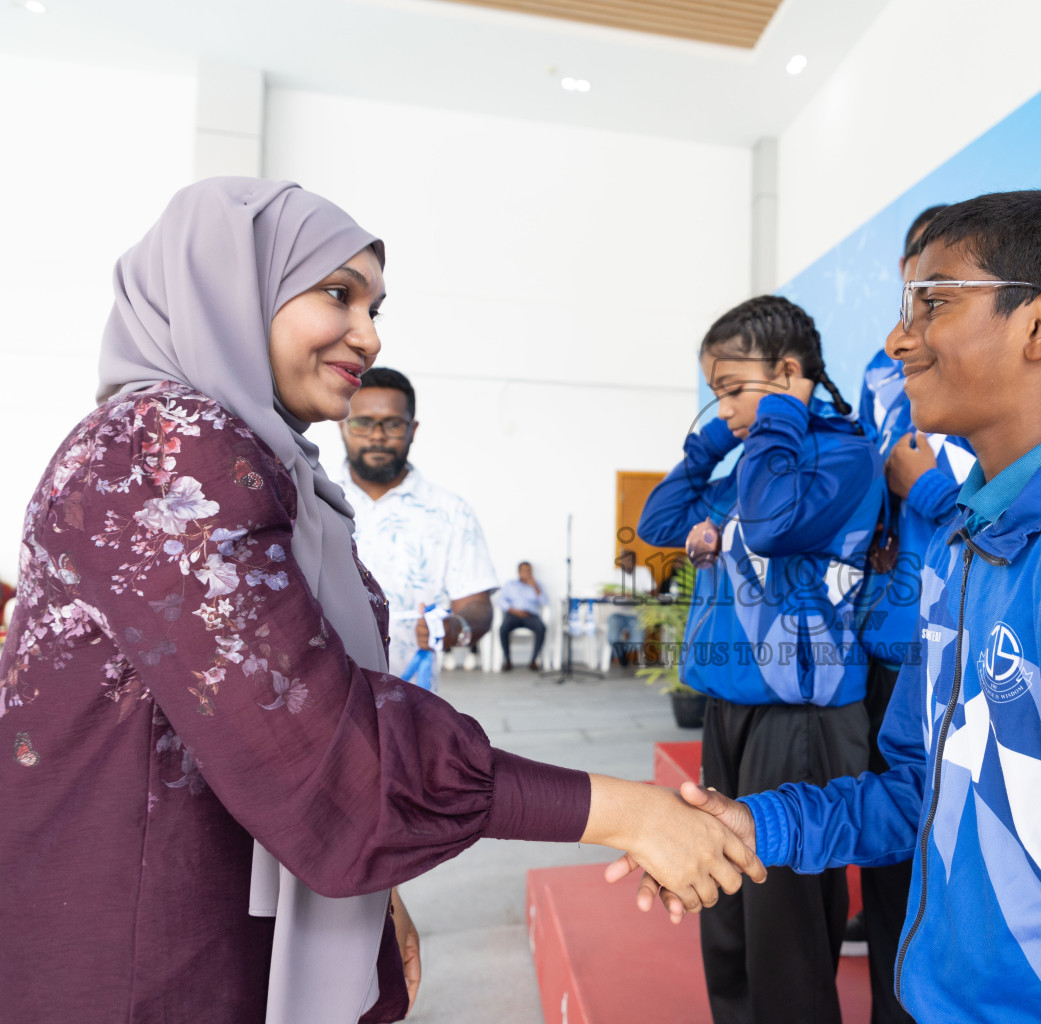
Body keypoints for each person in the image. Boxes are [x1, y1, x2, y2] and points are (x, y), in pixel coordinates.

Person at [0, 178, 764, 1024]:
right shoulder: (168, 451)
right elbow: (322, 747)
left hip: (230, 878)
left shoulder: (255, 462)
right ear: (228, 289)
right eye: (337, 293)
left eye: (375, 305)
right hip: (142, 935)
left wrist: (368, 891)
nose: (366, 334)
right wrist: (626, 812)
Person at [619, 191, 1041, 1022]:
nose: (897, 338)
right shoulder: (960, 544)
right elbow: (916, 795)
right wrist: (747, 827)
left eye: (934, 303)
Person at [637, 295, 883, 1024]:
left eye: (732, 389)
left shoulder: (844, 455)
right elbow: (658, 522)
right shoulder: (750, 465)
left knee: (786, 921)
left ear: (788, 372)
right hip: (733, 708)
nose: (724, 409)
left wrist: (777, 414)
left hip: (802, 719)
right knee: (729, 903)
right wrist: (710, 445)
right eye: (713, 393)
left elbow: (774, 529)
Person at [850, 202, 970, 1024]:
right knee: (896, 827)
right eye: (911, 287)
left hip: (978, 637)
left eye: (939, 289)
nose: (914, 317)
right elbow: (868, 482)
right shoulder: (877, 369)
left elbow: (1012, 510)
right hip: (896, 635)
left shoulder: (1005, 366)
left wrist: (925, 487)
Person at [339, 366, 498, 685]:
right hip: (322, 699)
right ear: (343, 426)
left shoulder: (450, 512)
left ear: (413, 429)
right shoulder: (313, 499)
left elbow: (478, 607)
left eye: (393, 424)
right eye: (363, 422)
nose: (377, 435)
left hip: (412, 701)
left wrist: (455, 629)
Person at [494, 561, 548, 671]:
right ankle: (507, 660)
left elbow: (544, 602)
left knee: (541, 628)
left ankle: (534, 660)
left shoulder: (537, 585)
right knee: (503, 629)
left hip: (530, 616)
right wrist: (514, 611)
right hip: (513, 614)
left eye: (529, 571)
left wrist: (535, 587)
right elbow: (501, 601)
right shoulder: (510, 584)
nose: (527, 573)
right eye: (524, 570)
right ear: (518, 572)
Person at [607, 549, 655, 666]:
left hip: (636, 614)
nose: (626, 562)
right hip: (618, 613)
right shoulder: (615, 574)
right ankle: (619, 652)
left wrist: (635, 596)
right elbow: (605, 592)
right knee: (612, 638)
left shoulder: (643, 572)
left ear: (635, 561)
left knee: (638, 642)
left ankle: (620, 651)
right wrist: (622, 595)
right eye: (623, 560)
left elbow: (652, 592)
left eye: (629, 560)